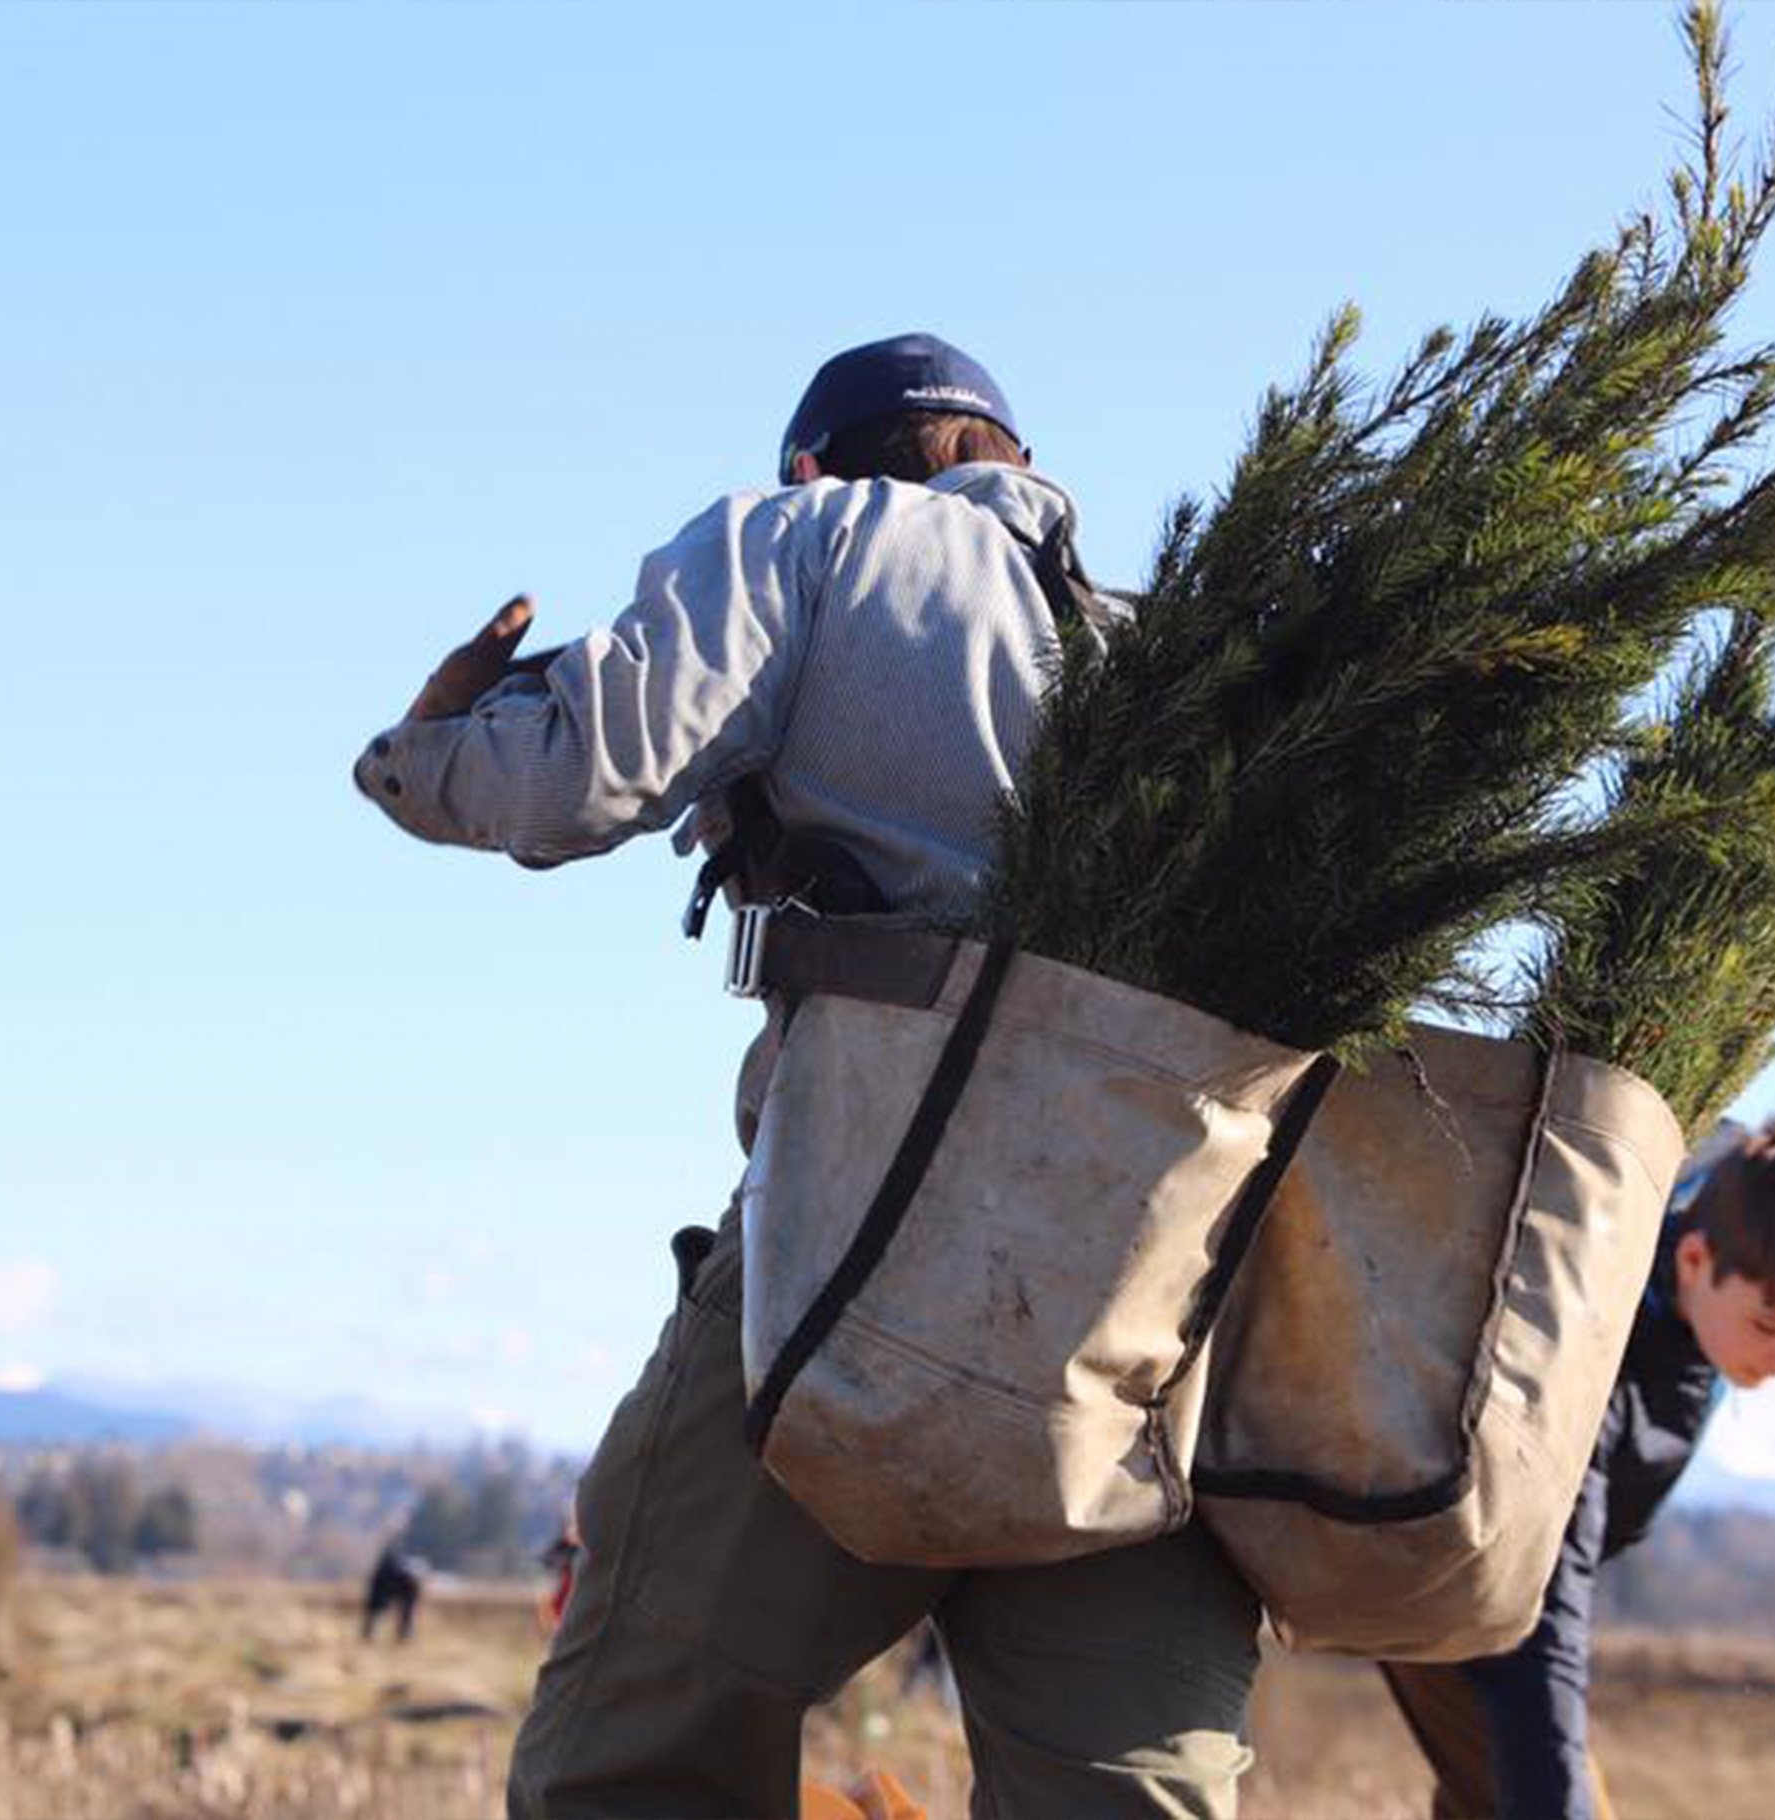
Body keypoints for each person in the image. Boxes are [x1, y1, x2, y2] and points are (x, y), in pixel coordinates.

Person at [353, 334, 1266, 1820]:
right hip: (1156, 1330)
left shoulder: (810, 536)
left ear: (809, 465)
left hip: (857, 1265)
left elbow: (573, 771)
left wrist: (421, 751)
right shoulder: (1181, 654)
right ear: (1009, 462)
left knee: (628, 1756)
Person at [1380, 1118, 1775, 1820]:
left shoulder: (1739, 1221)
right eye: (1773, 1328)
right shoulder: (1592, 1359)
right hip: (1447, 1567)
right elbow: (1541, 1630)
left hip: (1523, 1590)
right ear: (1692, 1261)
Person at [361, 1542, 428, 1643]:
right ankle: (402, 1635)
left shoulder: (388, 1570)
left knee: (375, 1611)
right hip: (388, 1585)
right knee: (376, 1611)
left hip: (392, 1586)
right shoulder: (408, 1575)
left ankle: (402, 1635)